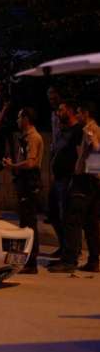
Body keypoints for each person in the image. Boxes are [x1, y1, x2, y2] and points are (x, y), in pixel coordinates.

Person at [48, 100, 100, 273]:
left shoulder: (89, 129)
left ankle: (69, 260)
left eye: (79, 112)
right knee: (91, 222)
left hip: (85, 181)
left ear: (86, 113)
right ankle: (94, 260)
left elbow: (96, 149)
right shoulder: (95, 128)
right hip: (92, 182)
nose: (77, 116)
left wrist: (90, 170)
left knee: (73, 219)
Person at [2, 107, 44, 274]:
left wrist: (13, 166)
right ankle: (26, 259)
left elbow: (31, 163)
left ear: (26, 118)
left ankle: (31, 261)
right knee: (25, 221)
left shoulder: (33, 137)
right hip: (24, 181)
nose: (17, 121)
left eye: (19, 117)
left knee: (29, 223)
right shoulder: (25, 138)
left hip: (30, 182)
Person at [46, 100, 83, 259]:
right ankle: (63, 246)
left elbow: (80, 155)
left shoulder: (78, 131)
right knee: (53, 213)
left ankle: (72, 251)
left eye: (61, 110)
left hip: (68, 179)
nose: (58, 113)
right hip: (58, 178)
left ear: (70, 111)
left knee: (67, 216)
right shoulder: (62, 131)